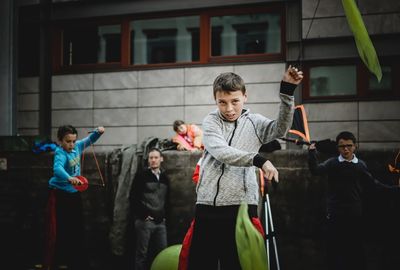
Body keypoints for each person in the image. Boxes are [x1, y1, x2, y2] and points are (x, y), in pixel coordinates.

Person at [185, 66, 303, 270]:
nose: (229, 109)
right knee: (201, 265)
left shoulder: (255, 123)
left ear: (245, 97)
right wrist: (259, 160)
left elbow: (281, 128)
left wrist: (286, 92)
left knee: (236, 265)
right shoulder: (211, 121)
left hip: (241, 207)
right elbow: (221, 151)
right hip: (207, 206)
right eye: (222, 102)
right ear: (215, 100)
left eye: (234, 101)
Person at [308, 131, 400, 270]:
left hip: (354, 215)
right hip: (335, 214)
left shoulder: (360, 165)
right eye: (342, 146)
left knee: (355, 250)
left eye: (349, 146)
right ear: (338, 148)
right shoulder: (332, 163)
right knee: (334, 250)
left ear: (355, 146)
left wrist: (395, 189)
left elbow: (374, 185)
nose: (345, 149)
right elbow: (315, 170)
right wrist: (311, 153)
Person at [44, 125, 105, 270]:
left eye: (73, 141)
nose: (71, 145)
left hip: (74, 194)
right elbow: (57, 169)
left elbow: (90, 140)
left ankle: (76, 262)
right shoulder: (60, 153)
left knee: (77, 229)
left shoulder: (77, 146)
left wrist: (99, 132)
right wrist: (70, 178)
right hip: (60, 195)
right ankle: (59, 261)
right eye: (68, 141)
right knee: (61, 230)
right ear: (60, 141)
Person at [131, 148, 170, 270]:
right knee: (142, 254)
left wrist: (164, 217)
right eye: (151, 158)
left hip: (160, 223)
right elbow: (133, 198)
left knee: (162, 253)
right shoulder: (141, 176)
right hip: (145, 222)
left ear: (161, 159)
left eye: (156, 157)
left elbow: (167, 200)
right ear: (148, 160)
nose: (153, 160)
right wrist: (144, 215)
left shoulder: (165, 178)